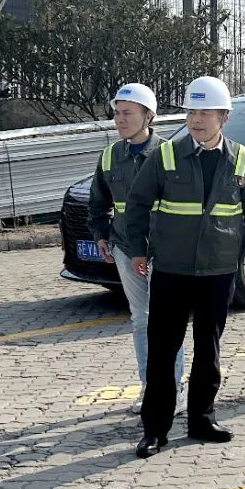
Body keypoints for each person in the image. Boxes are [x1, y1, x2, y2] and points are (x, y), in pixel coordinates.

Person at [124, 76, 245, 458]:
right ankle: (155, 430)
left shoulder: (242, 159)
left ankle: (202, 419)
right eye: (191, 112)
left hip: (218, 272)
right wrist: (137, 249)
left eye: (205, 113)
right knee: (162, 351)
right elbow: (137, 203)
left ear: (224, 117)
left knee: (209, 349)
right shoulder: (166, 156)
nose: (196, 120)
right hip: (171, 271)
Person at [87, 83, 187, 416]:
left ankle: (173, 389)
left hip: (164, 251)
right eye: (117, 113)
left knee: (167, 320)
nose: (120, 119)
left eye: (127, 113)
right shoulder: (110, 156)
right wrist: (101, 235)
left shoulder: (170, 155)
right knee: (141, 319)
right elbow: (98, 202)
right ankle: (150, 387)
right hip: (126, 250)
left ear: (148, 116)